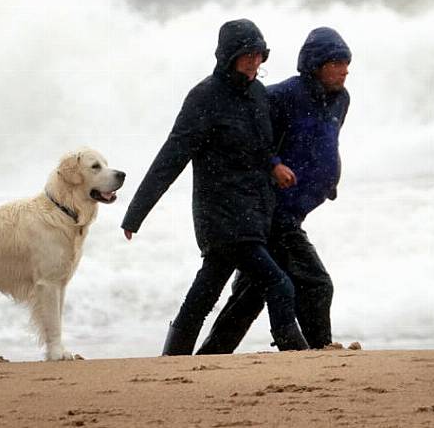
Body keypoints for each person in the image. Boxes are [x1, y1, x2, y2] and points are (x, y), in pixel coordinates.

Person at [121, 19, 309, 355]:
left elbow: (259, 147)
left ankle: (173, 359)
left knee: (204, 295)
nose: (254, 63)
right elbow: (171, 157)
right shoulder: (204, 97)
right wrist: (136, 213)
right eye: (246, 56)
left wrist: (274, 165)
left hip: (252, 214)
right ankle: (294, 357)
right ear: (228, 56)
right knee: (279, 285)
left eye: (259, 56)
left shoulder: (256, 93)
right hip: (221, 215)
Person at [196, 26, 351, 354]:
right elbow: (252, 136)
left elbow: (325, 141)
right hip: (273, 212)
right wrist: (274, 164)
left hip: (296, 209)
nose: (344, 69)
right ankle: (319, 349)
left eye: (346, 63)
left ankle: (209, 357)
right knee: (317, 283)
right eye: (337, 63)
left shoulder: (341, 100)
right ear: (317, 64)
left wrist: (327, 179)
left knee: (250, 295)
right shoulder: (283, 96)